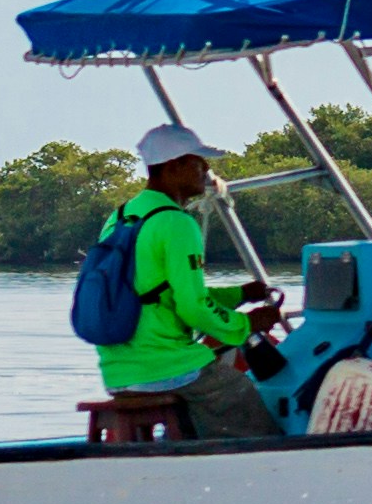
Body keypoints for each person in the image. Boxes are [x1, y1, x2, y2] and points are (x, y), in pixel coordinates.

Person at [97, 121, 287, 439]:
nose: (207, 169)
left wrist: (240, 294)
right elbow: (192, 308)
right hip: (162, 367)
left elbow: (162, 294)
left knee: (206, 377)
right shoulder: (176, 222)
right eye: (199, 162)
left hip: (118, 369)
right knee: (237, 391)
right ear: (174, 166)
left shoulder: (121, 216)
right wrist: (248, 324)